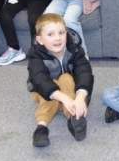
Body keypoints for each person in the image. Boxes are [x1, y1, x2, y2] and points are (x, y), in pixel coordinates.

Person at [27, 13, 92, 147]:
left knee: (66, 78)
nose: (57, 38)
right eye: (50, 34)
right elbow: (39, 79)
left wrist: (80, 97)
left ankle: (73, 117)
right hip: (44, 90)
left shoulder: (74, 49)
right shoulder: (35, 55)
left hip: (69, 87)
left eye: (61, 33)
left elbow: (84, 72)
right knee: (49, 91)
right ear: (40, 39)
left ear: (66, 34)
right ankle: (42, 127)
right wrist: (63, 98)